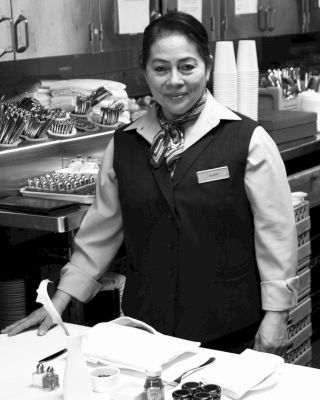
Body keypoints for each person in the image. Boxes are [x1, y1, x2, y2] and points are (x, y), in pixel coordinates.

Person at [2, 11, 299, 355]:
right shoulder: (125, 144)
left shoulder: (247, 140)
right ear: (145, 70)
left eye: (187, 67)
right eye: (161, 69)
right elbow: (100, 232)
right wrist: (59, 301)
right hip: (148, 331)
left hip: (231, 328)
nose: (174, 80)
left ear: (208, 65)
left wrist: (276, 314)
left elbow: (276, 233)